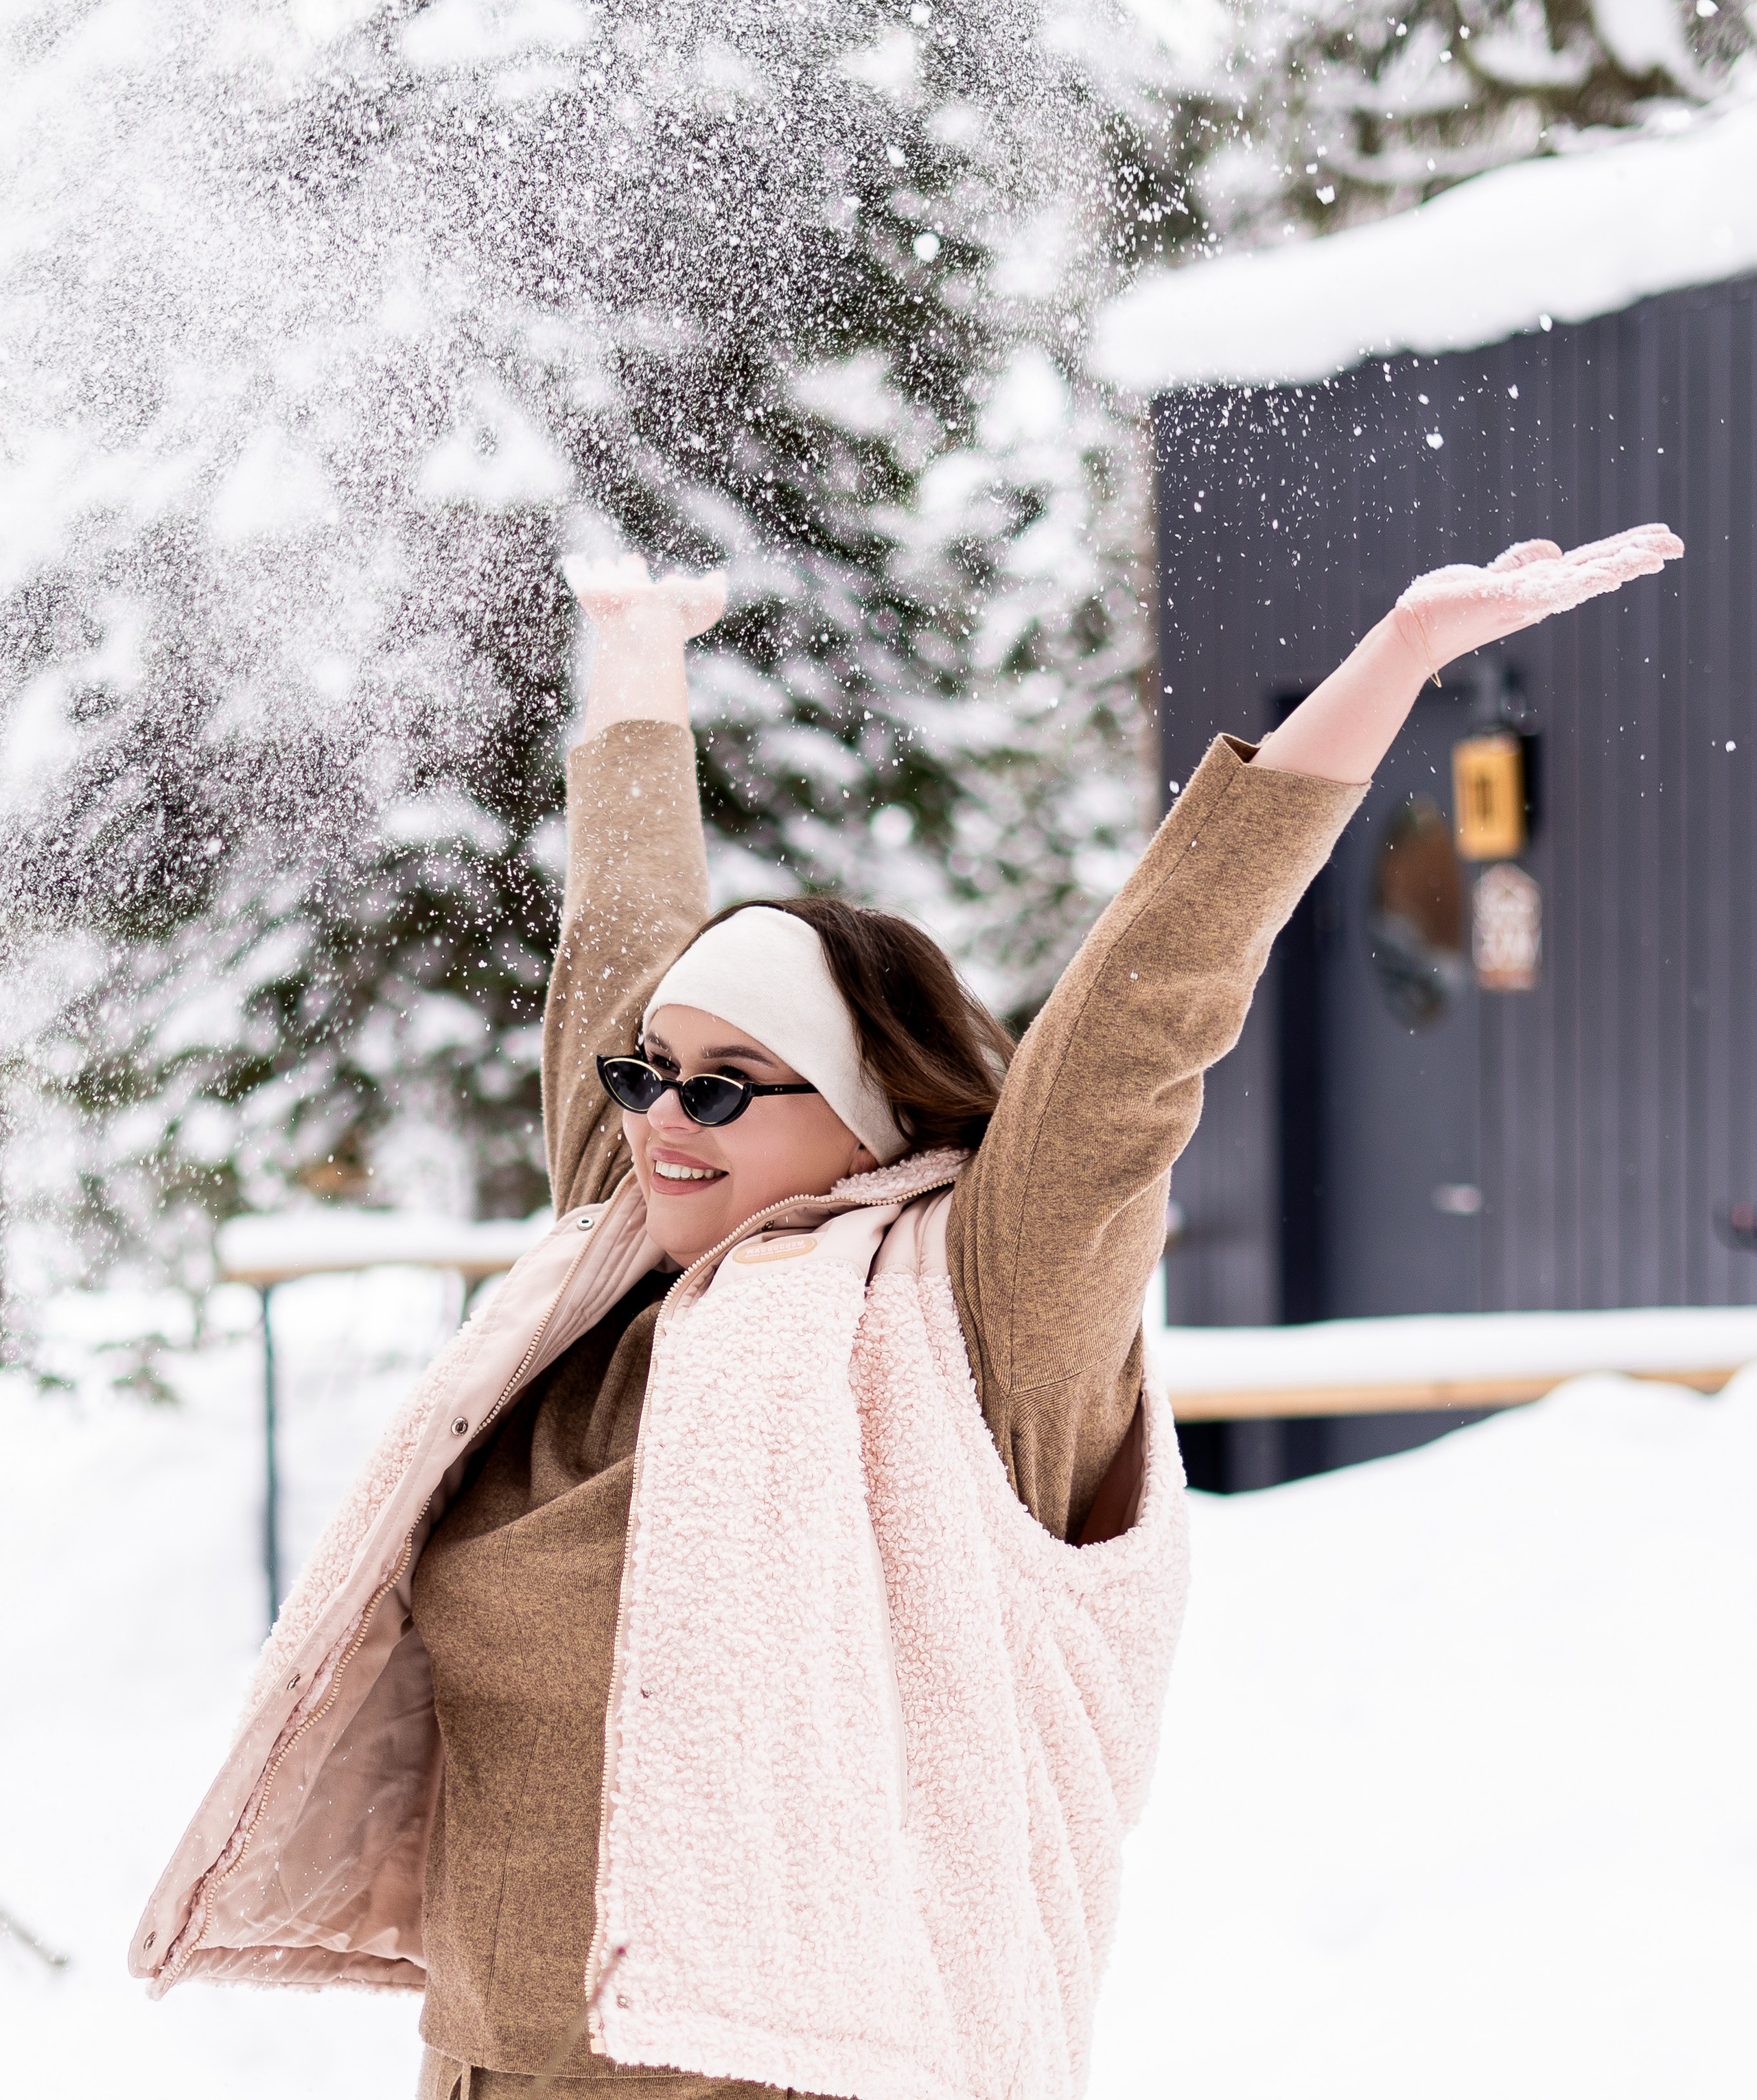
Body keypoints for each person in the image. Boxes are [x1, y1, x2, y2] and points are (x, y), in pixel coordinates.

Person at [132, 523, 1681, 2100]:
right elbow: (621, 924)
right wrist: (639, 650)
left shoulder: (969, 1313)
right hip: (493, 2071)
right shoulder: (599, 1274)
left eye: (726, 1086)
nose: (664, 1115)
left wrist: (1397, 663)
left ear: (869, 1117)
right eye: (642, 1074)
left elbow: (1147, 1009)